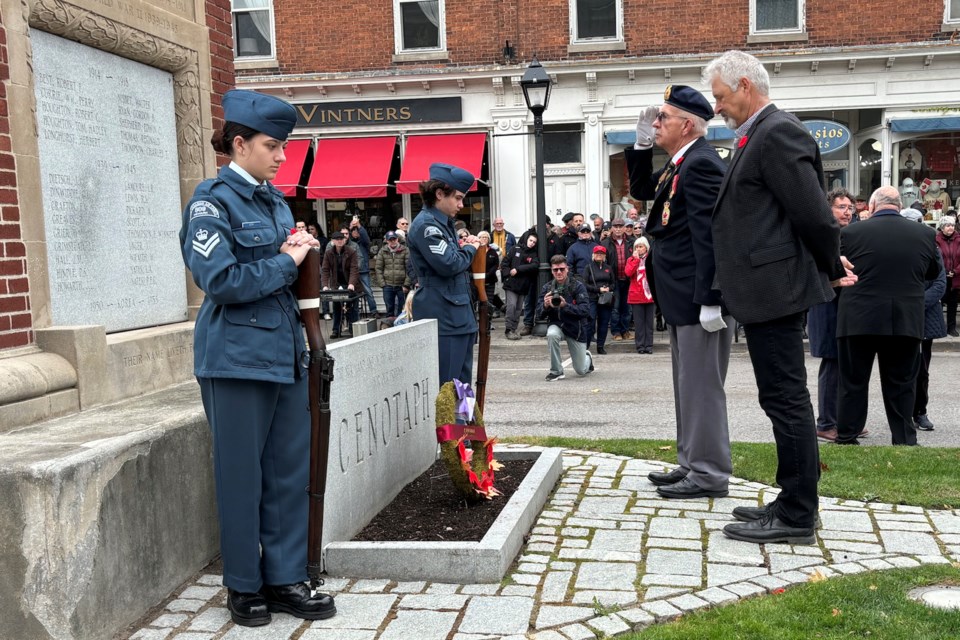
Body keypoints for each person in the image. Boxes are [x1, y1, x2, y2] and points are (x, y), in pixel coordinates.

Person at [178, 89, 335, 627]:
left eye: (283, 146)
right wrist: (288, 261)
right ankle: (245, 585)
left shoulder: (272, 200)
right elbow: (220, 280)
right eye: (272, 145)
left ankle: (286, 576)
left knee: (288, 471)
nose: (282, 156)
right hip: (235, 357)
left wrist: (297, 252)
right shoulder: (210, 202)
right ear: (239, 144)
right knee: (242, 476)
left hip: (283, 352)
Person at [706, 51, 855, 543]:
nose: (718, 108)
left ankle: (796, 515)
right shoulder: (758, 134)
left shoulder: (778, 132)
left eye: (722, 97)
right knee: (781, 399)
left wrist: (831, 267)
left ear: (745, 85)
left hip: (776, 290)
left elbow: (814, 215)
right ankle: (792, 500)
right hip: (767, 290)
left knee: (787, 400)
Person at [626, 84, 733, 500]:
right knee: (688, 385)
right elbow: (642, 191)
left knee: (702, 387)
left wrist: (711, 297)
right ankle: (692, 461)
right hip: (681, 295)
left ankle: (708, 474)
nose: (655, 123)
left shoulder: (701, 163)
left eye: (663, 118)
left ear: (687, 125)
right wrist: (638, 146)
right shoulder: (681, 162)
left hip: (696, 296)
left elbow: (710, 237)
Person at [835, 187, 940, 446]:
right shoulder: (925, 234)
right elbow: (932, 271)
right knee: (903, 382)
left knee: (853, 382)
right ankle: (904, 438)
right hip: (905, 318)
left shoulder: (849, 233)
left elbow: (836, 269)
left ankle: (847, 435)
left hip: (859, 317)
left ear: (872, 205)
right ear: (899, 204)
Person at [407, 163, 481, 385]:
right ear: (439, 194)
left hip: (457, 316)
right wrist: (470, 248)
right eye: (457, 198)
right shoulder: (427, 226)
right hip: (444, 315)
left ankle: (465, 421)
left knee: (463, 387)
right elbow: (449, 264)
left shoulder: (443, 223)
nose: (461, 204)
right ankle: (452, 422)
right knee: (448, 388)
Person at [807, 188, 856, 443]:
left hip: (843, 307)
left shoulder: (844, 234)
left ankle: (841, 418)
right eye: (841, 207)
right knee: (831, 363)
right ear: (829, 209)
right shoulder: (822, 236)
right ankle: (826, 423)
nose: (847, 212)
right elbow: (814, 270)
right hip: (824, 305)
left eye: (850, 207)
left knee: (843, 365)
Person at [904, 207, 947, 432]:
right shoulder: (898, 248)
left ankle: (920, 411)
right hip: (902, 316)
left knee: (922, 370)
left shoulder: (932, 248)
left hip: (924, 317)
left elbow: (940, 283)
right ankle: (903, 413)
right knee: (901, 369)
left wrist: (916, 303)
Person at [536, 255, 594, 381]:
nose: (559, 272)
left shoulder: (577, 286)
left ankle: (587, 357)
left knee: (581, 370)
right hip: (557, 325)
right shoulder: (547, 288)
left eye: (562, 269)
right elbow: (538, 315)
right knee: (551, 334)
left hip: (575, 329)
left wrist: (565, 306)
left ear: (567, 269)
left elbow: (585, 311)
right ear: (551, 271)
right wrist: (545, 306)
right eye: (555, 270)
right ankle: (556, 371)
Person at [321, 231, 360, 338]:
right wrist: (325, 285)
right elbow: (325, 270)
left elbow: (354, 269)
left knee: (353, 307)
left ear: (345, 240)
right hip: (336, 283)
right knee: (337, 306)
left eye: (341, 239)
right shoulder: (329, 253)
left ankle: (353, 329)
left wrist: (351, 283)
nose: (339, 241)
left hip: (349, 282)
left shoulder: (351, 251)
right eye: (337, 239)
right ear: (332, 241)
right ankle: (336, 330)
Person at [501, 233, 540, 340]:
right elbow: (505, 263)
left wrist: (518, 269)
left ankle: (513, 329)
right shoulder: (515, 249)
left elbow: (535, 265)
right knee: (511, 306)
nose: (532, 243)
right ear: (527, 239)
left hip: (523, 285)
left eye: (534, 242)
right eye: (531, 240)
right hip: (511, 284)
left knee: (518, 309)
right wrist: (507, 275)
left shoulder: (534, 254)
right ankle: (508, 329)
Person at [582, 245, 615, 354]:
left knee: (604, 323)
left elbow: (613, 283)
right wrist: (598, 289)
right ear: (593, 255)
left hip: (605, 299)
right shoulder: (588, 267)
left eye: (601, 253)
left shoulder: (608, 268)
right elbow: (584, 284)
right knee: (590, 323)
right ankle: (585, 346)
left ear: (605, 255)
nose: (599, 255)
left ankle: (600, 346)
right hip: (592, 298)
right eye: (597, 253)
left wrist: (608, 288)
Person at [625, 237, 655, 354]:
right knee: (639, 324)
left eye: (641, 246)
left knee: (649, 324)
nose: (639, 249)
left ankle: (649, 346)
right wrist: (636, 260)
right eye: (637, 247)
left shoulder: (651, 259)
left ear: (646, 247)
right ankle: (640, 346)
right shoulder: (631, 260)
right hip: (636, 296)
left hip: (649, 295)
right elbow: (628, 273)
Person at [374, 230, 410, 317]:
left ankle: (400, 328)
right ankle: (390, 328)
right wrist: (383, 284)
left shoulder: (405, 250)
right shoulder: (382, 251)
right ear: (387, 241)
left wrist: (406, 284)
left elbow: (409, 268)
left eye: (394, 239)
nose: (392, 241)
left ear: (397, 239)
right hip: (388, 285)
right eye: (390, 240)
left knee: (402, 310)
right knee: (389, 309)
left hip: (401, 286)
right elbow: (378, 269)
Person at [348, 217, 379, 317]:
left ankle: (374, 311)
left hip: (363, 270)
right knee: (353, 292)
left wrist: (359, 225)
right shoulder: (348, 244)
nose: (356, 233)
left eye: (358, 231)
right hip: (352, 271)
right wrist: (350, 227)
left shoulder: (364, 242)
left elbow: (365, 236)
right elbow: (344, 236)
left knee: (368, 291)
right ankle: (354, 312)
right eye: (354, 231)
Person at [935, 216, 960, 337]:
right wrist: (943, 271)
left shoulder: (959, 239)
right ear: (942, 227)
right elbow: (934, 258)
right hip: (941, 277)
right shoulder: (936, 239)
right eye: (947, 225)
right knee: (939, 303)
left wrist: (955, 271)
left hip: (956, 277)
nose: (951, 227)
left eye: (952, 225)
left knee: (953, 304)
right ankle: (940, 327)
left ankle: (952, 327)